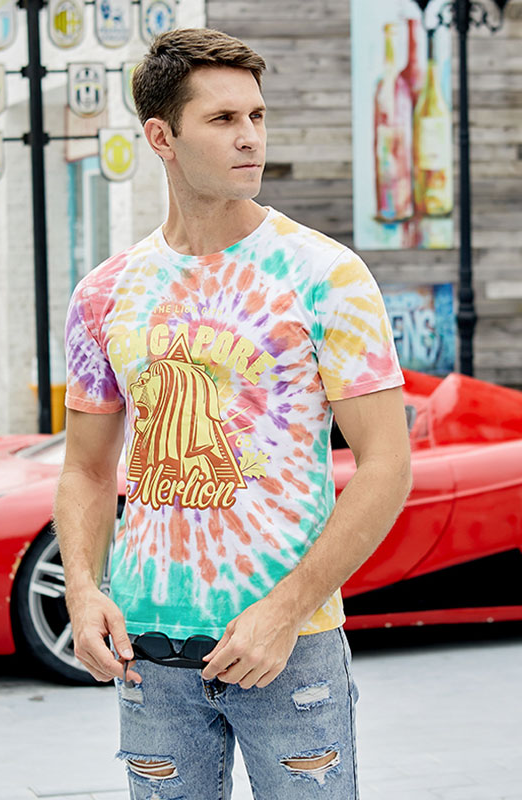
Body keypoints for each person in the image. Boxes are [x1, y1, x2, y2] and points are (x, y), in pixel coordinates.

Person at [53, 26, 412, 800]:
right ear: (162, 137)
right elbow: (85, 468)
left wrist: (285, 610)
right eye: (222, 119)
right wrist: (83, 592)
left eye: (256, 115)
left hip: (288, 648)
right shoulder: (104, 293)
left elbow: (387, 465)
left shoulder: (325, 275)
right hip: (149, 654)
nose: (250, 137)